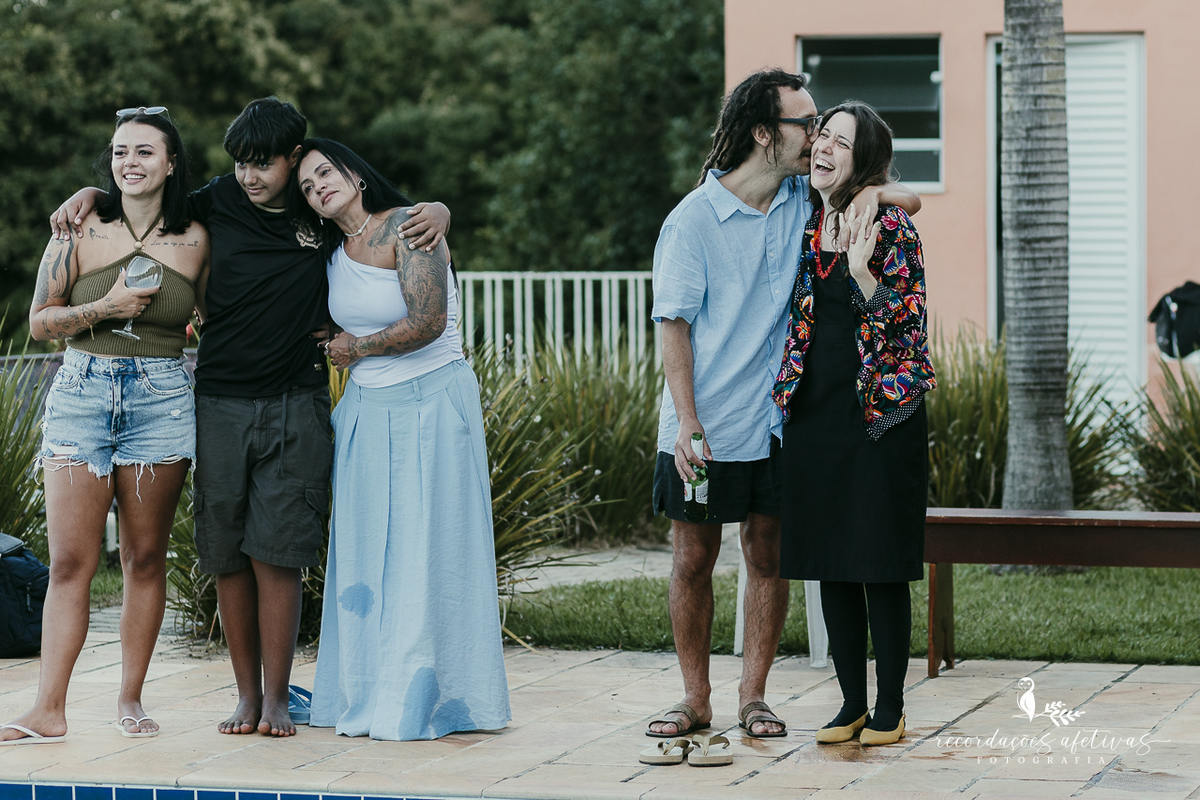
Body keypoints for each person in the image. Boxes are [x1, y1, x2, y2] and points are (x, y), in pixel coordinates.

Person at [48, 97, 451, 738]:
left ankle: (277, 699)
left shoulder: (318, 211)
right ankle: (243, 696)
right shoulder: (216, 201)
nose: (249, 177)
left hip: (297, 399)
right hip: (219, 401)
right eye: (240, 164)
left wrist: (438, 209)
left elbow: (387, 214)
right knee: (228, 552)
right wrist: (89, 192)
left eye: (264, 165)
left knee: (278, 553)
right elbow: (146, 195)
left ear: (295, 159)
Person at [647, 70, 922, 740]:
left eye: (826, 127)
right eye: (808, 125)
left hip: (778, 423)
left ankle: (753, 698)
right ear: (766, 134)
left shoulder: (807, 199)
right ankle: (694, 697)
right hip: (704, 425)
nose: (817, 136)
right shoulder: (691, 222)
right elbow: (673, 330)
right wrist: (686, 421)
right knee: (692, 559)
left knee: (768, 555)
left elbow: (904, 200)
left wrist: (881, 188)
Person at [1, 108, 208, 745]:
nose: (130, 164)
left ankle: (131, 699)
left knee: (146, 558)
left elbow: (222, 315)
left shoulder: (201, 235)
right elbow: (40, 322)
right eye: (119, 153)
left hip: (163, 395)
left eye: (145, 152)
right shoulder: (78, 226)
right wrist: (107, 308)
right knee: (70, 562)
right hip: (82, 391)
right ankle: (48, 709)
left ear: (171, 163)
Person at [291, 138, 510, 740]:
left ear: (356, 174)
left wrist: (354, 349)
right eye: (307, 186)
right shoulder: (333, 253)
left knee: (432, 551)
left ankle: (436, 702)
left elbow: (428, 319)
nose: (318, 188)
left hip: (433, 402)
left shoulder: (406, 228)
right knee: (365, 556)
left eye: (325, 174)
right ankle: (366, 693)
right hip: (366, 410)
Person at [772, 101, 936, 746]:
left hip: (880, 414)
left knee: (880, 561)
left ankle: (891, 707)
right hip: (813, 411)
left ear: (862, 158)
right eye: (823, 137)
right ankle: (850, 705)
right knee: (830, 560)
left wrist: (864, 273)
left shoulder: (892, 228)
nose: (824, 148)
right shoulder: (807, 215)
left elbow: (905, 323)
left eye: (842, 142)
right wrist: (867, 187)